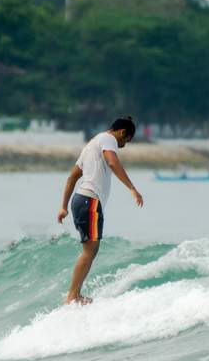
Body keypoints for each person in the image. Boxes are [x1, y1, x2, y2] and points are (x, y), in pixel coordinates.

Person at [57, 116, 144, 305]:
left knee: (91, 249)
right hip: (89, 200)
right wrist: (132, 188)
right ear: (122, 133)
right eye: (126, 141)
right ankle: (72, 296)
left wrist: (64, 207)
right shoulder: (108, 139)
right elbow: (112, 162)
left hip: (80, 199)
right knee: (90, 250)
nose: (124, 146)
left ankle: (75, 295)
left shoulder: (91, 145)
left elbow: (71, 178)